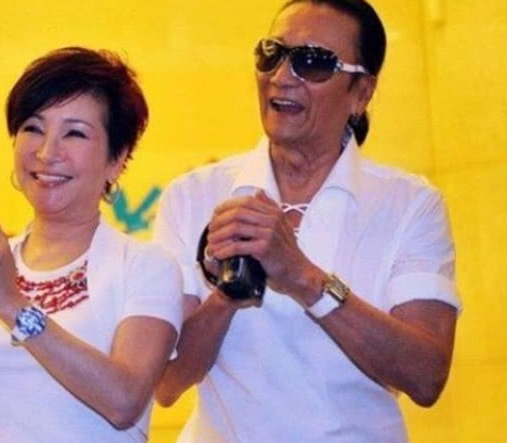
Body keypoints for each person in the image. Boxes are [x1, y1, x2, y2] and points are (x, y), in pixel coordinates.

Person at [152, 1, 460, 442]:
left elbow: (426, 377)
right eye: (272, 54)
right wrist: (227, 292)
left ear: (361, 93)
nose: (281, 76)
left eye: (313, 62)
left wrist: (302, 276)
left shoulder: (411, 205)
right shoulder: (193, 195)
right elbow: (166, 382)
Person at [0, 47, 182, 442]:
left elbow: (123, 402)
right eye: (33, 128)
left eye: (74, 133)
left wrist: (9, 303)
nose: (47, 153)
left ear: (117, 159)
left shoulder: (145, 267)